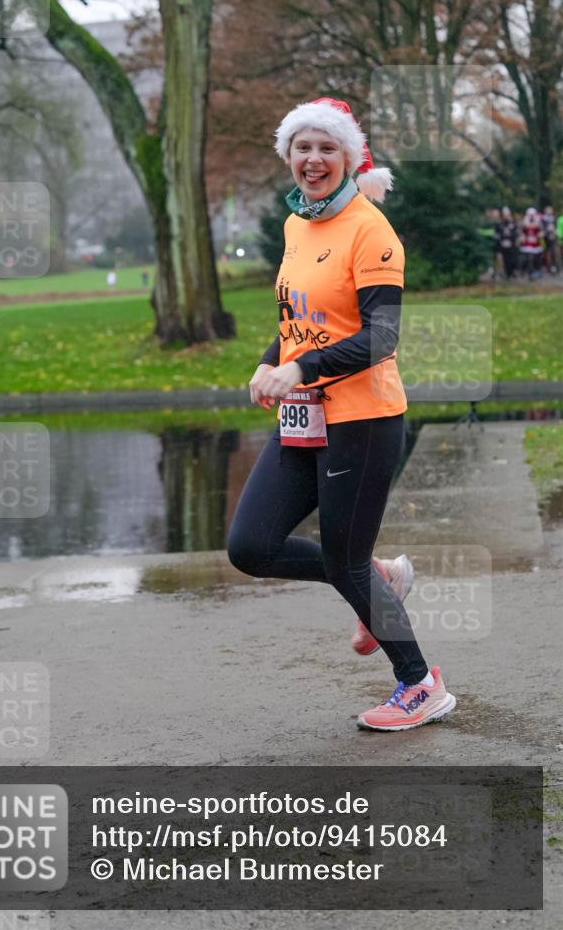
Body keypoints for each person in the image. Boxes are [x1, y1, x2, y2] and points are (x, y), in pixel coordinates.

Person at [227, 97, 456, 731]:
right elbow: (301, 318)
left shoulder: (370, 229)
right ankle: (377, 575)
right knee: (251, 546)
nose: (314, 158)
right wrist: (269, 360)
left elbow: (381, 337)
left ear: (349, 158)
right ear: (288, 157)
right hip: (303, 417)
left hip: (364, 418)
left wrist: (299, 369)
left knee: (341, 560)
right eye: (302, 147)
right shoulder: (297, 225)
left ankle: (421, 685)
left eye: (327, 148)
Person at [519, 206, 544, 280]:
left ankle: (536, 272)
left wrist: (540, 235)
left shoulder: (538, 223)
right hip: (527, 245)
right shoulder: (524, 223)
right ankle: (528, 272)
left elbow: (541, 232)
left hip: (536, 245)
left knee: (536, 259)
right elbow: (522, 232)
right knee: (529, 259)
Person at [496, 206, 519, 280]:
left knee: (512, 259)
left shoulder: (513, 223)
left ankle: (511, 272)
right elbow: (498, 234)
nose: (506, 216)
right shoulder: (500, 224)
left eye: (507, 214)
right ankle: (505, 273)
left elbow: (516, 233)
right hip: (502, 245)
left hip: (511, 245)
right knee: (504, 260)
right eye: (505, 215)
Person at [542, 206, 558, 273]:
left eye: (550, 210)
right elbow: (542, 228)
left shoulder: (554, 219)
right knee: (545, 253)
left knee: (552, 252)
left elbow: (556, 227)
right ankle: (547, 266)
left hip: (552, 238)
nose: (549, 212)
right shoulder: (543, 219)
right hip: (545, 238)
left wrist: (554, 232)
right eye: (548, 210)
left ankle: (552, 266)